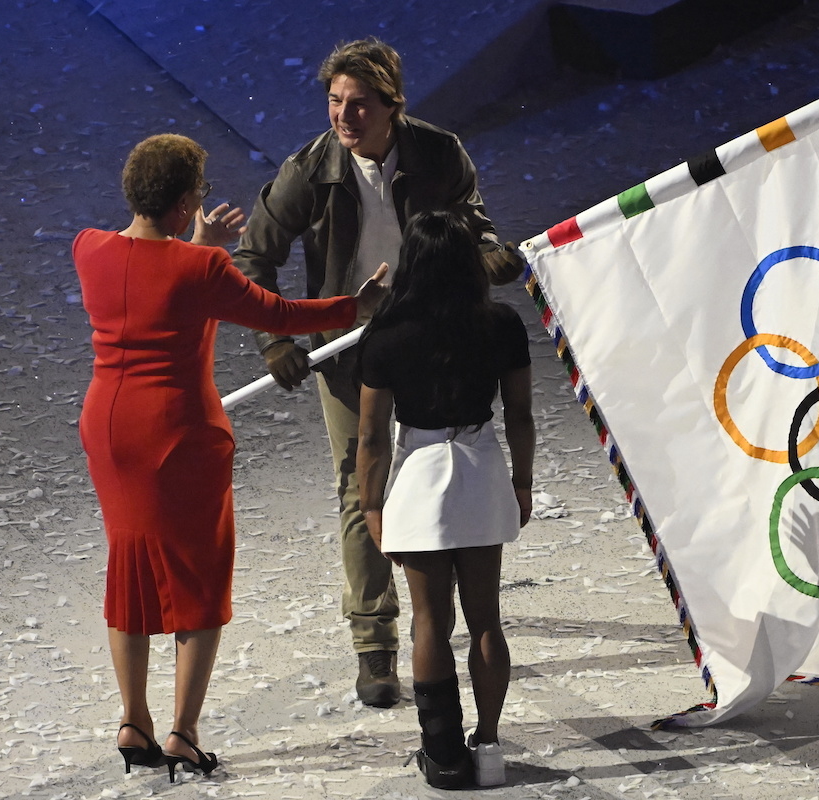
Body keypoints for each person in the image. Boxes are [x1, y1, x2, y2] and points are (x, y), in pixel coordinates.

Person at [73, 133, 386, 782]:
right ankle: (184, 733)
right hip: (177, 438)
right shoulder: (203, 271)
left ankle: (134, 720)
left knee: (129, 567)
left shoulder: (90, 249)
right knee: (200, 580)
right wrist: (358, 306)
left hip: (109, 432)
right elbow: (279, 313)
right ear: (188, 200)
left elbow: (155, 280)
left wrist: (194, 244)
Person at [232, 36, 525, 708]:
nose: (343, 116)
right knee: (357, 483)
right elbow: (252, 257)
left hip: (429, 338)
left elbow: (472, 227)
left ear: (392, 106)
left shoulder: (439, 154)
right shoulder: (311, 170)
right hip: (350, 348)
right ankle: (374, 643)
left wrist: (489, 256)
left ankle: (461, 614)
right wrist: (274, 334)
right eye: (335, 101)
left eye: (358, 104)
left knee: (449, 465)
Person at [355, 210, 534, 789]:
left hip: (420, 476)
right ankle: (487, 744)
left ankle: (443, 754)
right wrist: (523, 483)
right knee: (486, 619)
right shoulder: (502, 324)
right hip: (481, 471)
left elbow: (371, 436)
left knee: (430, 620)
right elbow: (522, 414)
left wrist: (372, 506)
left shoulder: (386, 332)